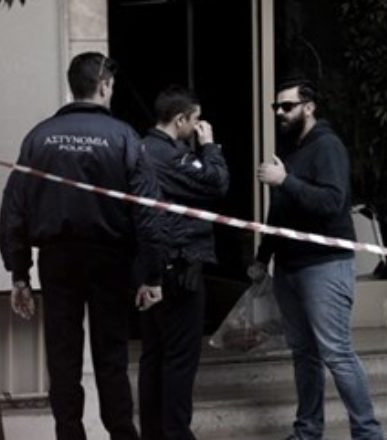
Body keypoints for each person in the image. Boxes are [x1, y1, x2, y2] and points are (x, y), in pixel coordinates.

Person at [0, 52, 169, 440]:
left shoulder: (39, 137)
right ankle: (122, 434)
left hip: (57, 260)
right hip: (111, 260)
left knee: (62, 359)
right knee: (111, 358)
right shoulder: (124, 137)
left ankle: (69, 433)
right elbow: (148, 212)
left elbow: (14, 209)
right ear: (104, 86)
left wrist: (19, 273)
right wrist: (152, 274)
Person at [248, 78, 384, 440]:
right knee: (303, 354)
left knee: (337, 353)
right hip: (289, 267)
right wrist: (263, 257)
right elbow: (279, 209)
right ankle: (307, 431)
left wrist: (285, 181)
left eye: (287, 106)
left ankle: (368, 434)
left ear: (308, 108)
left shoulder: (327, 146)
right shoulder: (292, 148)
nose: (280, 112)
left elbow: (332, 203)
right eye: (276, 107)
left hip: (325, 265)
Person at [138, 86, 229, 440]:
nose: (198, 126)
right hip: (179, 264)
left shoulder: (141, 148)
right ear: (180, 119)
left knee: (153, 355)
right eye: (196, 120)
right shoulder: (169, 155)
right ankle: (176, 433)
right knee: (179, 358)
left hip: (152, 265)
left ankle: (153, 432)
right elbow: (217, 184)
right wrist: (209, 147)